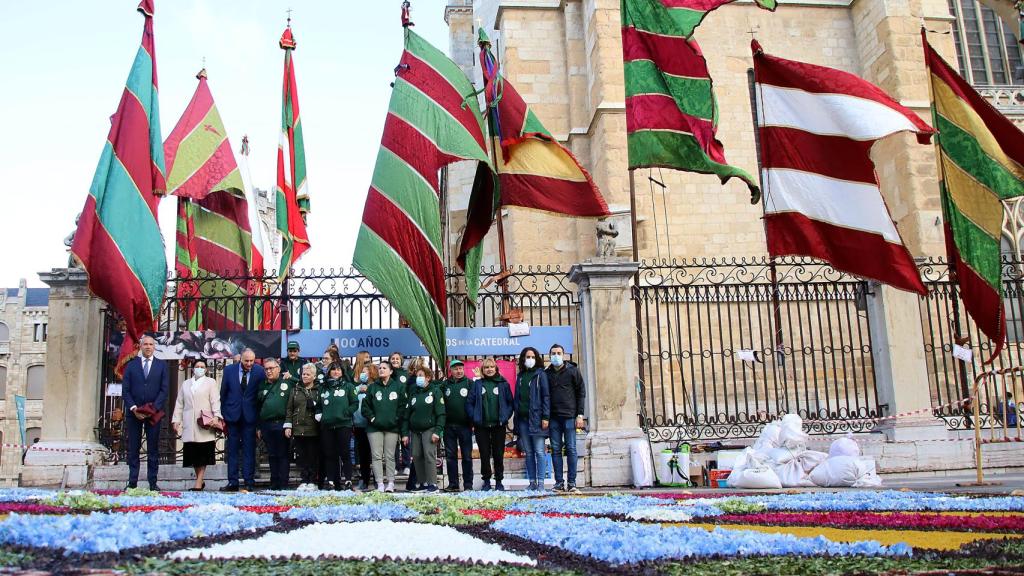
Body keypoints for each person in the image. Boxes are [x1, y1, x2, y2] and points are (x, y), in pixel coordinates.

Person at [122, 335, 169, 490]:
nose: (148, 347)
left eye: (151, 344)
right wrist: (134, 408)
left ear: (154, 347)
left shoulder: (161, 366)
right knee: (133, 448)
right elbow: (126, 390)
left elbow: (164, 390)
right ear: (140, 346)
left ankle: (153, 482)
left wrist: (153, 408)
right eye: (145, 344)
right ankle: (132, 482)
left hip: (153, 414)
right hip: (134, 414)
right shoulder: (131, 365)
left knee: (153, 449)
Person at [219, 349, 266, 492]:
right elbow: (223, 393)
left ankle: (248, 481)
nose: (249, 364)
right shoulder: (229, 371)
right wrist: (225, 414)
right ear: (241, 359)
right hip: (232, 416)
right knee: (232, 450)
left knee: (249, 450)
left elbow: (260, 395)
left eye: (252, 361)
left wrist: (258, 421)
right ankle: (232, 482)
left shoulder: (259, 371)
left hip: (250, 417)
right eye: (246, 361)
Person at [172, 360, 221, 491]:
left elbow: (215, 400)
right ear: (193, 369)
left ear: (206, 369)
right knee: (192, 454)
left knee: (203, 453)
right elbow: (179, 403)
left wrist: (216, 416)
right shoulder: (186, 384)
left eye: (202, 367)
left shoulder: (211, 382)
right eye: (197, 366)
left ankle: (198, 483)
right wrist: (176, 420)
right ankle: (200, 480)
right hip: (189, 423)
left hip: (205, 423)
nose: (199, 368)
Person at [467, 357, 513, 491]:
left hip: (499, 426)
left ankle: (499, 481)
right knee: (484, 454)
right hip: (482, 427)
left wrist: (505, 417)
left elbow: (510, 403)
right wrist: (475, 418)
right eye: (486, 367)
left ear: (496, 369)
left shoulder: (503, 384)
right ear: (482, 370)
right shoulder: (477, 384)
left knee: (499, 454)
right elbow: (469, 403)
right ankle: (486, 480)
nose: (489, 369)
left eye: (491, 367)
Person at [545, 343, 586, 493]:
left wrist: (580, 415)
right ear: (549, 356)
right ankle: (559, 483)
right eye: (553, 353)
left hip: (570, 417)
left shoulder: (573, 371)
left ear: (563, 355)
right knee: (555, 450)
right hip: (553, 418)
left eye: (559, 353)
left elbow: (581, 392)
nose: (556, 356)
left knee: (571, 449)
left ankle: (572, 483)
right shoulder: (546, 373)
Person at [363, 360, 408, 492]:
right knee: (376, 456)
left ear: (391, 371)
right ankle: (380, 483)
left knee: (390, 456)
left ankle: (390, 483)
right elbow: (365, 407)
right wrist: (372, 418)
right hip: (374, 428)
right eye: (380, 368)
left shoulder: (398, 386)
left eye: (384, 368)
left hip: (392, 427)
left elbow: (402, 406)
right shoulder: (372, 387)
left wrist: (395, 419)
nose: (381, 370)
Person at [318, 362, 358, 490]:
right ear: (329, 372)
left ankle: (348, 481)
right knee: (329, 454)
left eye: (338, 370)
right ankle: (331, 481)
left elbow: (355, 403)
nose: (336, 372)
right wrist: (319, 414)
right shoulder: (323, 387)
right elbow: (318, 404)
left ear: (342, 372)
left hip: (343, 424)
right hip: (327, 425)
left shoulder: (349, 386)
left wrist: (346, 412)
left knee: (345, 453)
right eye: (333, 370)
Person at [515, 347, 550, 491]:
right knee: (528, 452)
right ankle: (532, 482)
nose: (530, 359)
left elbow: (546, 396)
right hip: (523, 420)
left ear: (536, 359)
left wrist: (545, 416)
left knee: (539, 451)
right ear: (523, 359)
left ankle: (541, 482)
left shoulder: (541, 375)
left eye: (532, 357)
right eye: (527, 357)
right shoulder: (521, 376)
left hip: (537, 419)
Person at [406, 366, 445, 492]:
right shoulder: (413, 393)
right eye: (417, 376)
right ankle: (422, 483)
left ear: (428, 377)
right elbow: (408, 412)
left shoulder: (435, 391)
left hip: (430, 429)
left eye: (421, 375)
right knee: (416, 456)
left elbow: (441, 413)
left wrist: (438, 431)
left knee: (429, 455)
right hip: (415, 431)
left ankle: (432, 483)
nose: (419, 378)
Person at [285, 363, 321, 490]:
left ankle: (312, 480)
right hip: (298, 427)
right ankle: (304, 479)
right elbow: (289, 409)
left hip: (313, 428)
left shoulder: (319, 390)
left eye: (308, 374)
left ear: (314, 376)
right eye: (303, 374)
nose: (305, 376)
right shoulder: (295, 390)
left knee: (312, 455)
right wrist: (288, 425)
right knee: (302, 455)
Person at [257, 358, 291, 490]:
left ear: (279, 369)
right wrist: (258, 426)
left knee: (283, 454)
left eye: (272, 368)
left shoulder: (287, 383)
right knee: (271, 455)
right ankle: (274, 481)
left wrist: (289, 424)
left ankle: (283, 482)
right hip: (266, 424)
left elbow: (291, 405)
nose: (269, 371)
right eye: (266, 369)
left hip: (282, 423)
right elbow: (257, 406)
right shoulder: (262, 384)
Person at [442, 359, 474, 492]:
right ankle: (453, 484)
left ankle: (468, 485)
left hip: (465, 426)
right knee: (450, 457)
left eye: (461, 368)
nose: (459, 371)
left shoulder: (470, 383)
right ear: (451, 371)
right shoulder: (445, 385)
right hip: (448, 426)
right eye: (456, 369)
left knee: (467, 456)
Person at [352, 360, 376, 490]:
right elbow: (350, 399)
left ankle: (377, 479)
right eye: (362, 372)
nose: (363, 374)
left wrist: (368, 391)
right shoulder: (356, 387)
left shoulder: (375, 387)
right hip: (359, 425)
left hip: (372, 425)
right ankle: (364, 479)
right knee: (363, 454)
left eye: (366, 372)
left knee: (375, 454)